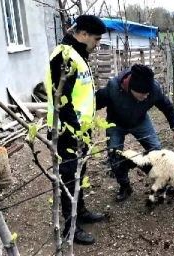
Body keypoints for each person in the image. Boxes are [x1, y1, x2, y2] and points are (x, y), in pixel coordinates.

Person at [46, 15, 107, 245]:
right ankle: (70, 228)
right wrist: (75, 131)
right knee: (69, 177)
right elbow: (60, 98)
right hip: (66, 132)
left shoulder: (77, 54)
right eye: (96, 38)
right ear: (82, 34)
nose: (98, 43)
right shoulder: (64, 56)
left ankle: (79, 212)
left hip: (80, 131)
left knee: (79, 174)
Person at [95, 64, 174, 202]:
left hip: (140, 121)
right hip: (116, 123)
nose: (146, 97)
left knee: (157, 151)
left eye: (148, 94)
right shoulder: (113, 88)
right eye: (143, 94)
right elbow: (94, 102)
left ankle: (164, 182)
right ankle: (125, 186)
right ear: (131, 88)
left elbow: (167, 107)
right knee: (114, 155)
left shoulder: (154, 89)